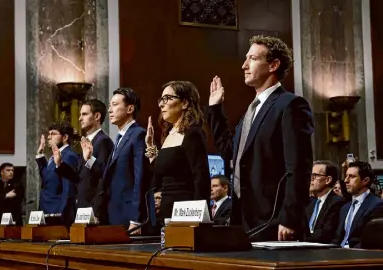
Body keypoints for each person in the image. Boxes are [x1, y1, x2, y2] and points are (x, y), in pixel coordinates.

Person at [206, 35, 314, 241]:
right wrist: (215, 109)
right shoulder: (250, 112)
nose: (244, 65)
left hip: (275, 221)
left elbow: (299, 167)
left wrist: (290, 217)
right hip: (244, 219)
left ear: (273, 65)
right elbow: (228, 151)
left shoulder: (291, 105)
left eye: (253, 59)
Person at [145, 81, 211, 222]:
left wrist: (199, 217)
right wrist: (151, 147)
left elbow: (201, 178)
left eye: (167, 98)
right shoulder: (168, 134)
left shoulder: (193, 133)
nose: (161, 104)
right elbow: (159, 179)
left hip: (186, 211)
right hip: (167, 209)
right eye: (161, 99)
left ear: (185, 103)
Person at [93, 87, 152, 234]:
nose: (110, 110)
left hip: (129, 216)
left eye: (115, 104)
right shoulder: (120, 137)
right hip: (113, 213)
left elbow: (140, 178)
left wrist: (136, 219)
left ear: (130, 108)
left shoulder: (138, 134)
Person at [56, 99, 113, 209]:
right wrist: (60, 164)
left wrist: (89, 159)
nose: (79, 118)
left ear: (97, 116)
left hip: (94, 208)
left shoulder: (104, 141)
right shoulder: (87, 141)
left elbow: (104, 176)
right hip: (83, 206)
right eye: (80, 114)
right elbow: (80, 177)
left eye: (84, 114)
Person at [36, 121, 79, 226]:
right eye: (49, 134)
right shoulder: (55, 155)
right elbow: (47, 180)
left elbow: (68, 188)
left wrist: (63, 213)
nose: (49, 137)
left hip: (58, 213)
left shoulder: (69, 156)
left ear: (64, 137)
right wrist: (40, 155)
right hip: (47, 210)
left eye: (53, 134)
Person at [333, 161, 383, 248]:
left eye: (351, 176)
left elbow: (371, 242)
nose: (346, 180)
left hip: (359, 256)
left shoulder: (377, 205)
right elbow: (337, 239)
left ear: (365, 181)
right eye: (346, 176)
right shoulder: (345, 208)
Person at [307, 160, 345, 243]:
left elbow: (325, 234)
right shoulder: (311, 204)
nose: (311, 179)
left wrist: (300, 236)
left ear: (328, 180)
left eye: (315, 175)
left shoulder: (337, 203)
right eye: (311, 175)